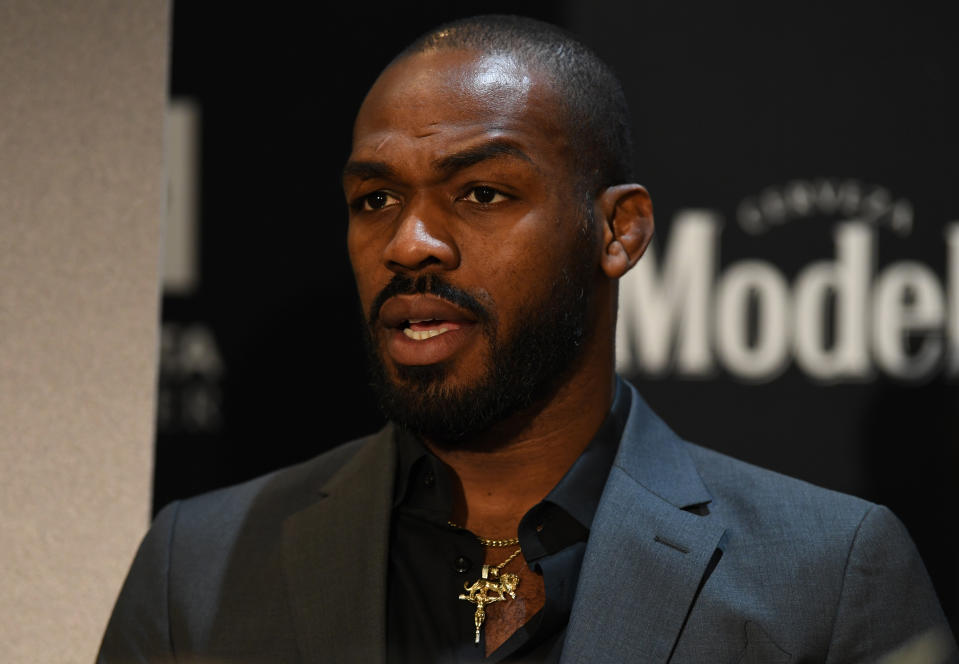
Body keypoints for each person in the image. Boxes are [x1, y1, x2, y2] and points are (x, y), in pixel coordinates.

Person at [99, 14, 957, 664]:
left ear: (617, 231)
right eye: (375, 200)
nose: (409, 242)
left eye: (479, 193)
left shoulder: (828, 577)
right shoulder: (195, 568)